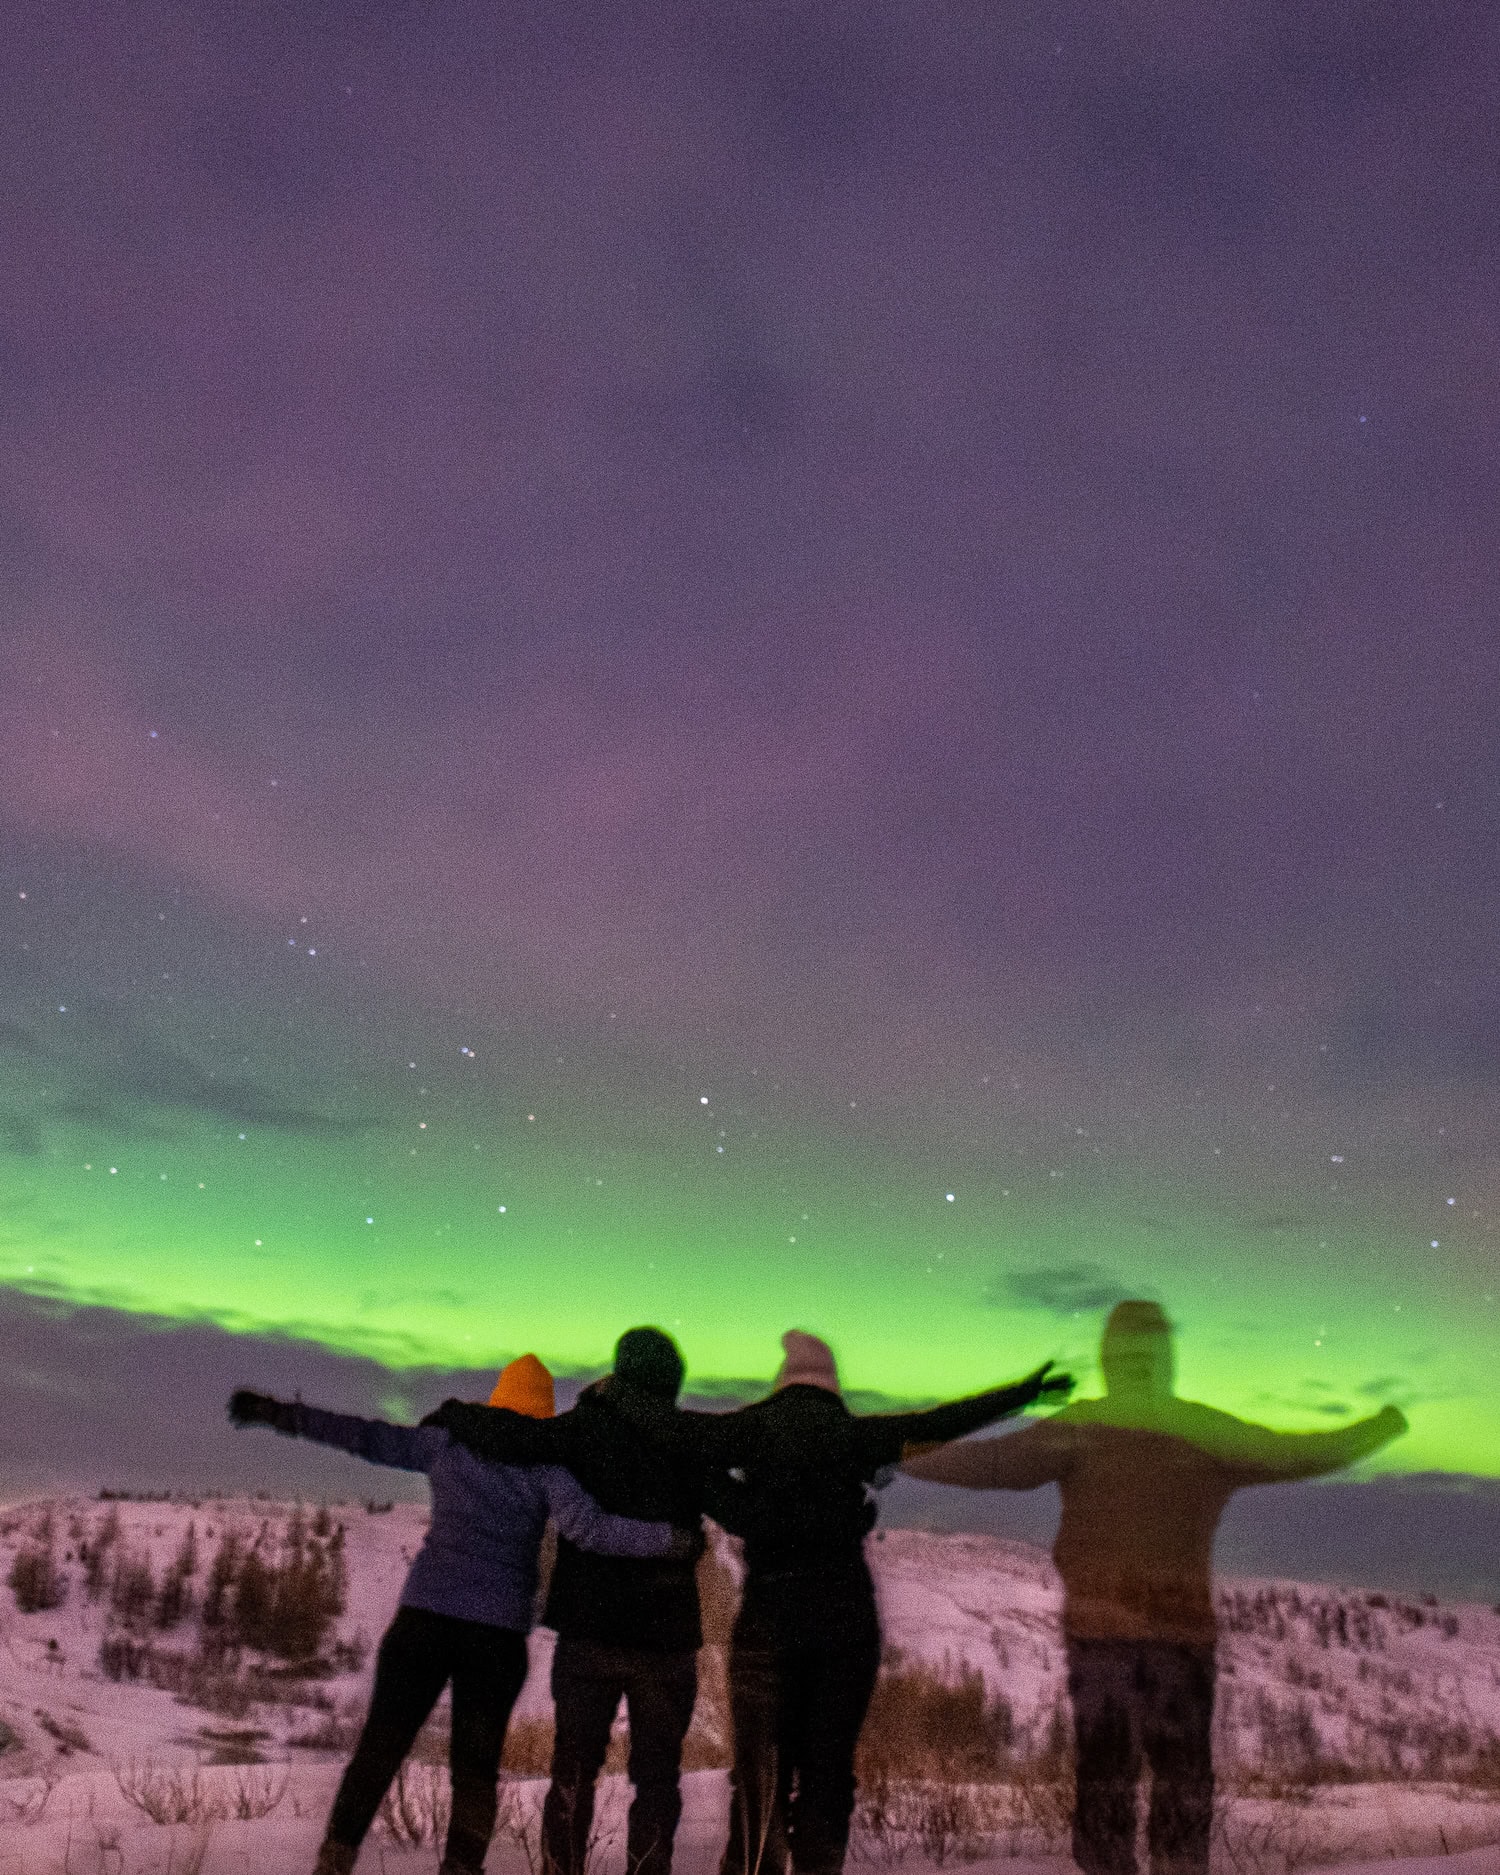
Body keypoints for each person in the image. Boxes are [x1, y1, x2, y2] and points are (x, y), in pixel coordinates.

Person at [433, 1330, 1071, 1875]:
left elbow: (616, 1432)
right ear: (830, 1385)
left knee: (731, 1770)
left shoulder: (738, 1430)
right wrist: (1020, 1394)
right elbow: (938, 1423)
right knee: (811, 1773)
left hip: (724, 1623)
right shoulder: (849, 1436)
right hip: (812, 1625)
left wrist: (595, 1397)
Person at [902, 1300, 1408, 1875]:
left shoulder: (1081, 1429)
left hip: (1099, 1635)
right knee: (1183, 1774)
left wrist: (899, 1453)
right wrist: (1380, 1426)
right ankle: (1178, 1866)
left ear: (1108, 1359)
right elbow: (1300, 1453)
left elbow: (988, 1463)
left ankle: (1107, 1867)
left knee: (1104, 1771)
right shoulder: (1204, 1430)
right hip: (1180, 1637)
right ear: (1166, 1358)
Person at [229, 1354, 699, 1875]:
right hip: (495, 1640)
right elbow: (592, 1530)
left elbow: (366, 1437)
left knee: (381, 1746)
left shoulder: (448, 1443)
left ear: (498, 1396)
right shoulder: (547, 1467)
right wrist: (671, 1540)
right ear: (544, 1413)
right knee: (475, 1768)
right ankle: (460, 1867)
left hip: (423, 1622)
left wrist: (281, 1415)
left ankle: (335, 1861)